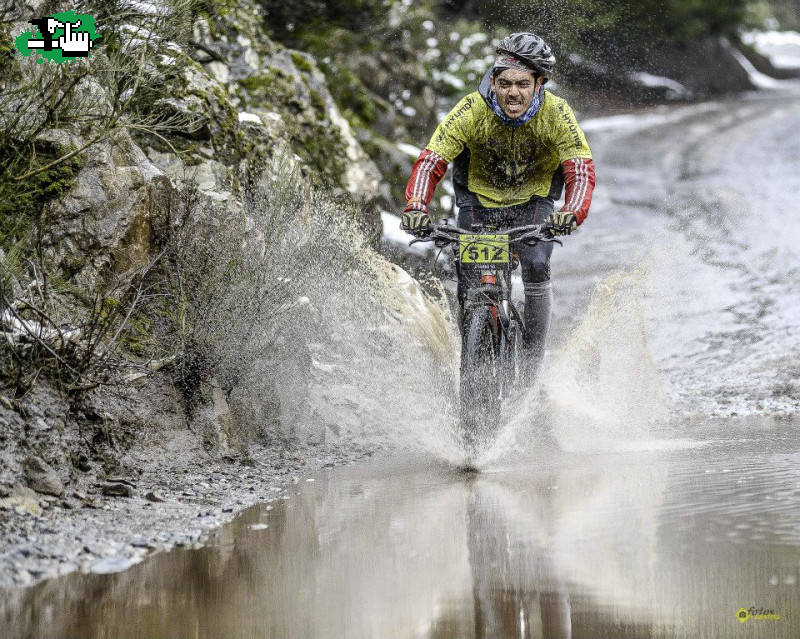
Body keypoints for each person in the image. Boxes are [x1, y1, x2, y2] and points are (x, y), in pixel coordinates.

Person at [400, 32, 595, 381]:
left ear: (540, 83)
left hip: (534, 204)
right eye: (504, 83)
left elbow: (580, 170)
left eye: (523, 83)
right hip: (478, 203)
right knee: (470, 282)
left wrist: (571, 212)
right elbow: (432, 160)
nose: (513, 93)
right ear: (493, 80)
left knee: (536, 264)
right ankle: (475, 349)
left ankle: (532, 368)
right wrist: (416, 205)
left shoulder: (557, 113)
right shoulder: (471, 109)